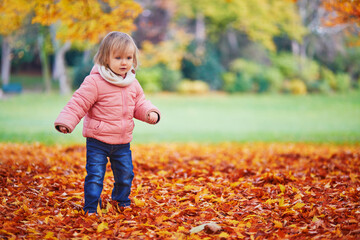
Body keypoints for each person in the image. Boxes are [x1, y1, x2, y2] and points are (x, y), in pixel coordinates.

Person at [54, 31, 161, 214]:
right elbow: (78, 103)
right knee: (95, 177)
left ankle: (121, 201)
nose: (124, 62)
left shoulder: (131, 82)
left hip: (122, 142)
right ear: (105, 58)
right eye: (118, 57)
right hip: (98, 141)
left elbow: (139, 103)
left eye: (128, 57)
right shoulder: (94, 82)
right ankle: (90, 208)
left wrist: (150, 112)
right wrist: (66, 121)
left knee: (125, 175)